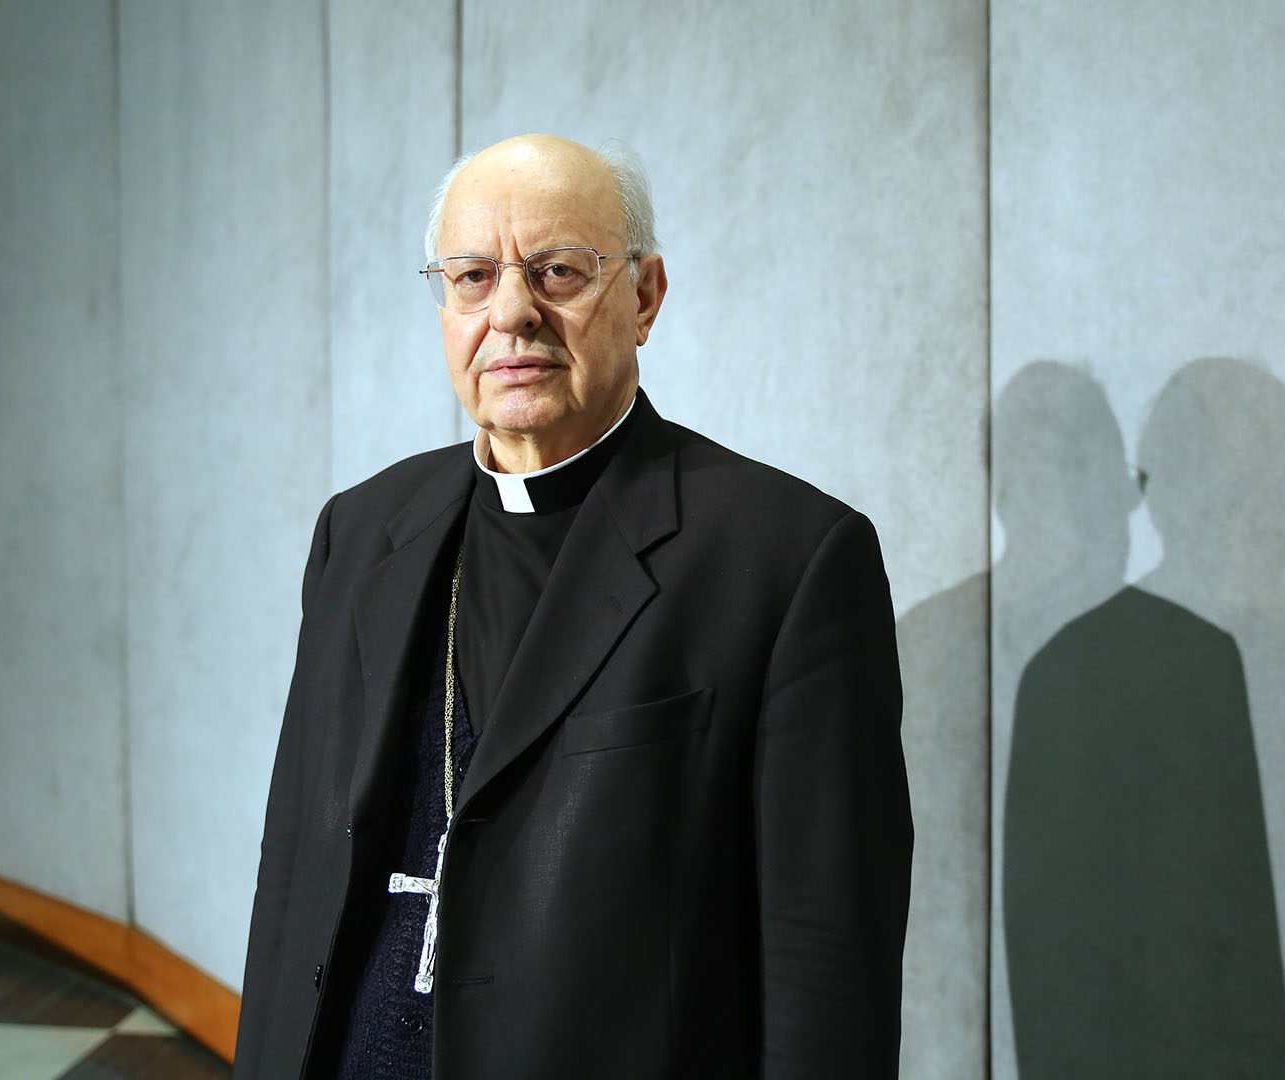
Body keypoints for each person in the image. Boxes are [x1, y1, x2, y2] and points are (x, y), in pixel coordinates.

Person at [233, 134, 912, 1080]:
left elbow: (825, 954)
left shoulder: (786, 558)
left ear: (644, 295)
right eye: (473, 276)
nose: (512, 313)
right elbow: (293, 869)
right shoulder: (361, 530)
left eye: (557, 271)